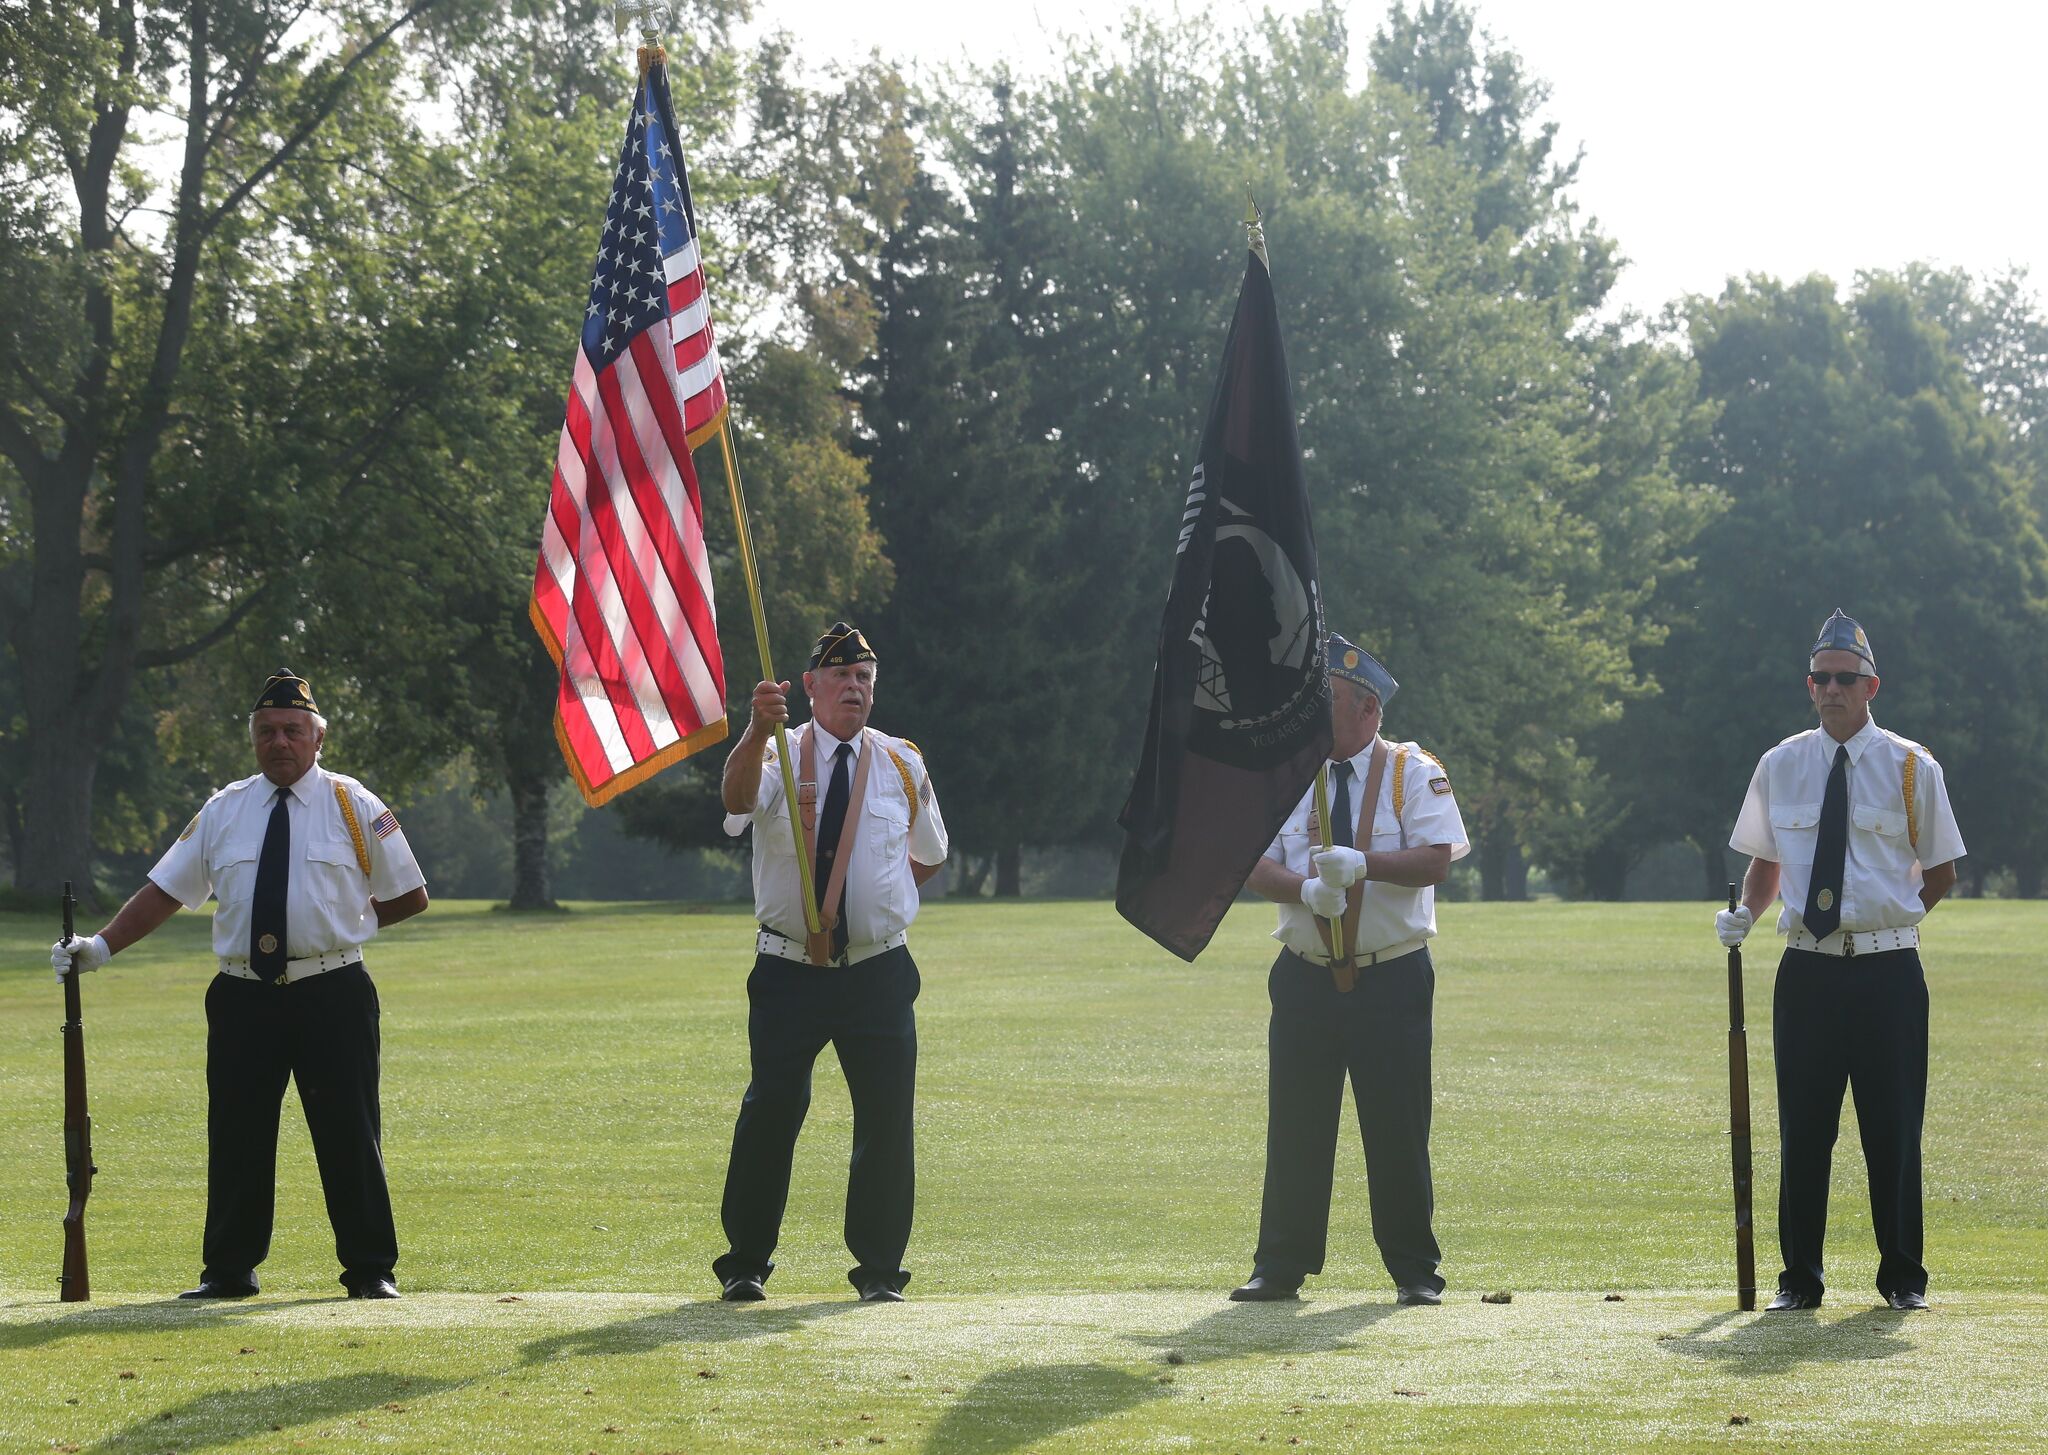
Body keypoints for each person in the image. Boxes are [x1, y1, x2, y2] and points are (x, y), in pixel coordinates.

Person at [50, 668, 429, 1300]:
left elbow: (410, 894)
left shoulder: (353, 804)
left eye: (292, 730)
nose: (279, 742)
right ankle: (228, 1271)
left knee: (348, 1131)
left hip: (331, 991)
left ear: (318, 738)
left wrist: (346, 925)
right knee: (237, 1134)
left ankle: (370, 1270)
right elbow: (167, 889)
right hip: (243, 994)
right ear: (253, 739)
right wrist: (99, 948)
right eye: (266, 732)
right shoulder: (224, 810)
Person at [1716, 609, 1964, 1312]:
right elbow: (1768, 860)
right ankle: (1799, 1280)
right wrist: (1748, 915)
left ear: (1871, 685)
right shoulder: (1781, 763)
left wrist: (1896, 913)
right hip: (1809, 968)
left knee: (1893, 1127)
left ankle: (1903, 1278)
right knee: (1804, 1127)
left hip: (1888, 969)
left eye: (1845, 678)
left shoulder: (1913, 767)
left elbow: (1941, 870)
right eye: (1821, 677)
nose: (1832, 689)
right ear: (1810, 684)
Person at [1230, 635, 1469, 1305]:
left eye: (1327, 701)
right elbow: (1254, 861)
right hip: (1304, 970)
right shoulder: (1291, 772)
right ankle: (1279, 1265)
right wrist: (1303, 889)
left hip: (1390, 973)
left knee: (1396, 1124)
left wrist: (1366, 864)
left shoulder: (1410, 773)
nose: (1313, 714)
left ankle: (1415, 1270)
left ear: (1367, 708)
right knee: (1297, 1123)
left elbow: (1436, 858)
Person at [714, 622, 949, 1303]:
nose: (855, 687)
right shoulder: (777, 755)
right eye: (841, 676)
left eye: (865, 678)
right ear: (809, 687)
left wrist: (879, 903)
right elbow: (732, 802)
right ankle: (746, 1263)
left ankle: (879, 1271)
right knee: (772, 1110)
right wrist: (755, 728)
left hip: (877, 971)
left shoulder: (902, 761)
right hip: (789, 969)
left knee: (885, 1116)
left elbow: (930, 853)